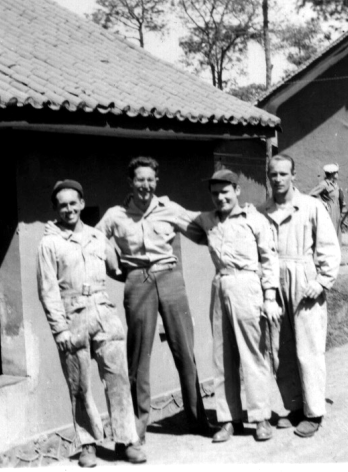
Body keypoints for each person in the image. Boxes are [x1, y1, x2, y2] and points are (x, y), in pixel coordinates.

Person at [96, 156, 209, 443]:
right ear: (130, 182)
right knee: (138, 356)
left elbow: (201, 228)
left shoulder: (169, 208)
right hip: (137, 281)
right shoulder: (115, 214)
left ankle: (197, 419)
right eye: (139, 180)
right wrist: (114, 263)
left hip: (170, 278)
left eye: (150, 179)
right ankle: (138, 427)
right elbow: (92, 241)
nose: (145, 185)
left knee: (185, 350)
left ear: (156, 181)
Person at [37, 180, 146, 468]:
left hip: (104, 311)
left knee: (118, 377)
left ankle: (126, 441)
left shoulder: (99, 238)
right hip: (73, 316)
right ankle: (87, 444)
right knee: (79, 384)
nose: (69, 209)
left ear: (82, 203)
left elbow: (119, 268)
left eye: (73, 203)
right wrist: (59, 329)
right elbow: (47, 290)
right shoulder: (49, 243)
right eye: (62, 205)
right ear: (56, 209)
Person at [185, 169, 281, 443]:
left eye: (225, 192)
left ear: (237, 191)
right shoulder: (207, 221)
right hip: (220, 285)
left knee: (253, 354)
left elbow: (269, 258)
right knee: (222, 356)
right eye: (215, 194)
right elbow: (178, 216)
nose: (220, 198)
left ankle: (261, 417)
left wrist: (270, 296)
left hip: (247, 285)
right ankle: (228, 420)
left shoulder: (254, 219)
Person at [259, 154, 341, 438]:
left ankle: (314, 412)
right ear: (268, 177)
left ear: (293, 175)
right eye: (273, 175)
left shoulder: (311, 206)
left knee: (309, 347)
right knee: (281, 349)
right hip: (273, 279)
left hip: (303, 281)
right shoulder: (262, 211)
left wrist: (321, 281)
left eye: (283, 174)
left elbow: (329, 247)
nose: (278, 179)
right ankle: (294, 407)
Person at [308, 163, 345, 238]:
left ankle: (337, 249)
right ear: (332, 174)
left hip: (337, 210)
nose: (338, 174)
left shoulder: (334, 184)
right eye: (336, 172)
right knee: (330, 231)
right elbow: (311, 195)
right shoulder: (323, 184)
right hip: (329, 211)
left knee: (337, 231)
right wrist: (321, 203)